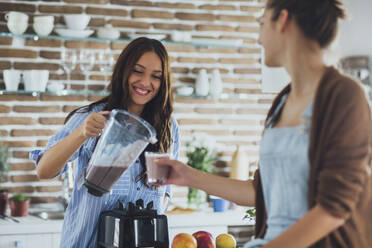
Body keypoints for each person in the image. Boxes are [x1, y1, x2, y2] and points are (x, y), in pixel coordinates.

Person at [156, 1, 372, 247]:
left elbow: (334, 209)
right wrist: (188, 176)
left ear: (283, 20)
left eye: (261, 24)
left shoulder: (344, 95)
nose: (259, 39)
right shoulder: (282, 102)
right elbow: (260, 192)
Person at [30, 37, 179, 248]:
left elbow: (163, 192)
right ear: (123, 70)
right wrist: (82, 133)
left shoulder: (168, 128)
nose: (146, 82)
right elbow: (43, 170)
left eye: (156, 76)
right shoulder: (91, 117)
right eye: (138, 71)